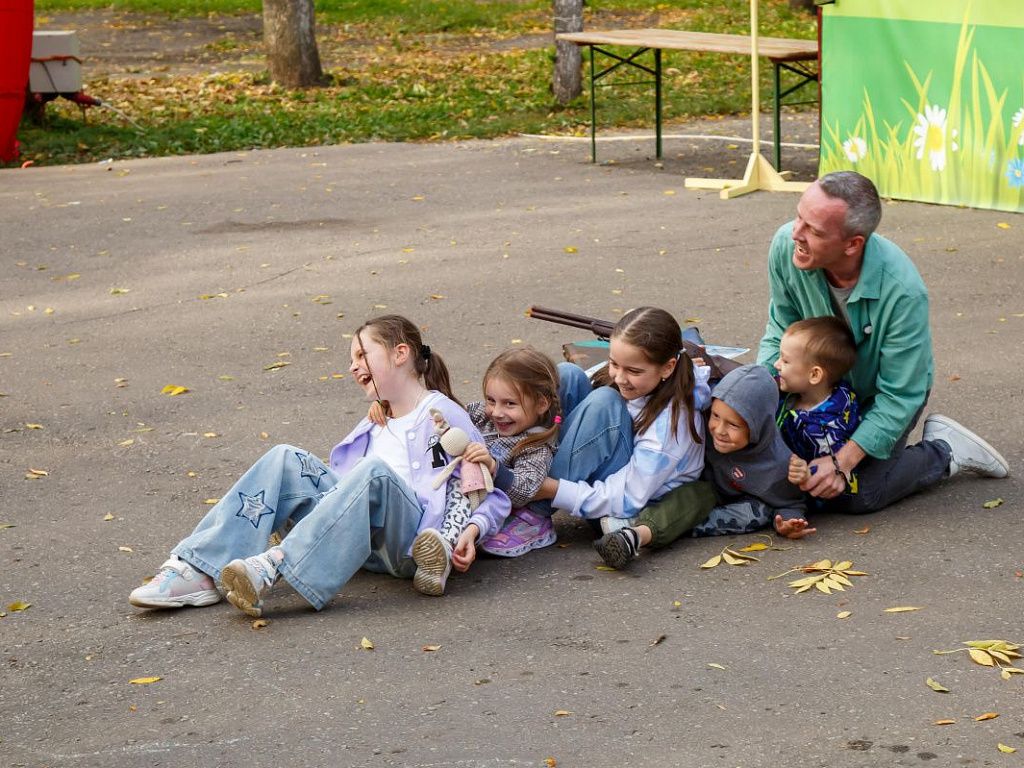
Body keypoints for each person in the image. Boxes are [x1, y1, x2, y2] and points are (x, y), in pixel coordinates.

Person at [128, 314, 511, 616]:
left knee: (374, 472)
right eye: (351, 360)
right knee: (284, 456)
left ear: (400, 354)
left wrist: (472, 531)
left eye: (362, 355)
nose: (353, 367)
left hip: (409, 546)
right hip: (359, 542)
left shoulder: (443, 414)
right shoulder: (376, 420)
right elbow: (341, 485)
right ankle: (199, 570)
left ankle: (273, 565)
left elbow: (486, 489)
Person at [758, 170, 1008, 514]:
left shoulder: (903, 292)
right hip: (816, 387)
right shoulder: (786, 246)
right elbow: (780, 328)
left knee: (857, 494)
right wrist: (762, 395)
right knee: (781, 473)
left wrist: (842, 462)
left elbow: (900, 395)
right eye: (798, 216)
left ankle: (945, 449)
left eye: (814, 230)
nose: (795, 233)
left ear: (852, 244)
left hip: (879, 397)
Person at [594, 364, 810, 569]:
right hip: (693, 483)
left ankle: (634, 535)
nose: (719, 430)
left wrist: (788, 523)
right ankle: (647, 522)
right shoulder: (701, 414)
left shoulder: (779, 465)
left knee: (756, 514)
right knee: (694, 495)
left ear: (758, 426)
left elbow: (791, 501)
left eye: (733, 424)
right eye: (715, 416)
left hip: (730, 501)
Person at [529, 306, 712, 547]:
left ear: (668, 367)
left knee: (604, 401)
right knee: (568, 375)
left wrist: (553, 490)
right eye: (614, 363)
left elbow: (627, 498)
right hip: (606, 476)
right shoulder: (645, 381)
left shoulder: (671, 427)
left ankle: (531, 510)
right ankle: (520, 463)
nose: (619, 377)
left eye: (633, 371)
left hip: (620, 505)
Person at [370, 346, 561, 560]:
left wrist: (493, 467)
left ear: (541, 404)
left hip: (482, 506)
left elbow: (524, 491)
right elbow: (444, 413)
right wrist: (388, 406)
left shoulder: (536, 446)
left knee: (454, 505)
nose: (497, 412)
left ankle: (439, 551)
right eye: (491, 400)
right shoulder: (483, 415)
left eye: (510, 404)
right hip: (442, 487)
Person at [773, 316, 860, 492]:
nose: (776, 364)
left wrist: (805, 476)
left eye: (785, 361)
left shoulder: (823, 432)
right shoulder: (807, 388)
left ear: (814, 375)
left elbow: (833, 481)